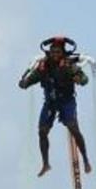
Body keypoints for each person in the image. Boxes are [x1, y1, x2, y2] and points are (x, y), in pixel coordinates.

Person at [18, 36, 92, 178]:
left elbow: (84, 79)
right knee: (42, 131)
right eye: (53, 52)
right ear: (49, 53)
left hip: (66, 101)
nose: (55, 55)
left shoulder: (69, 65)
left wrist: (79, 79)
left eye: (58, 52)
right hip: (50, 102)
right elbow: (31, 79)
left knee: (73, 127)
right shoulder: (43, 66)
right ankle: (46, 164)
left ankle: (86, 160)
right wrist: (25, 83)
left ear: (62, 53)